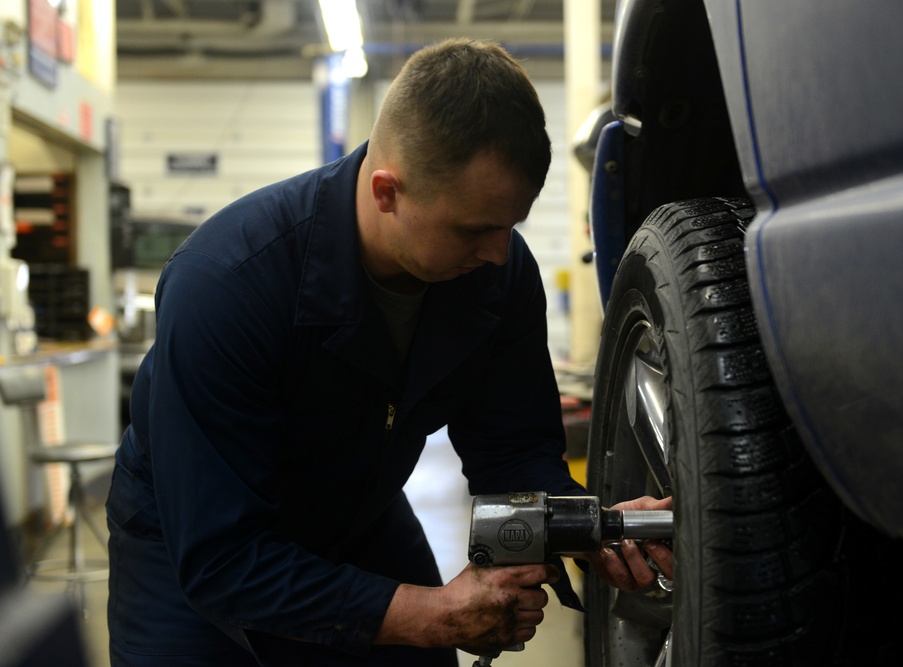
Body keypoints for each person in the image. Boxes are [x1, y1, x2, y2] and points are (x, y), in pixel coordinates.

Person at [106, 38, 672, 666]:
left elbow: (512, 450)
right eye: (474, 229)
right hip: (196, 539)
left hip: (359, 510)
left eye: (510, 226)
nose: (496, 253)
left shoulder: (497, 272)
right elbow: (224, 557)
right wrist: (424, 615)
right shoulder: (226, 285)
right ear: (386, 192)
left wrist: (588, 528)